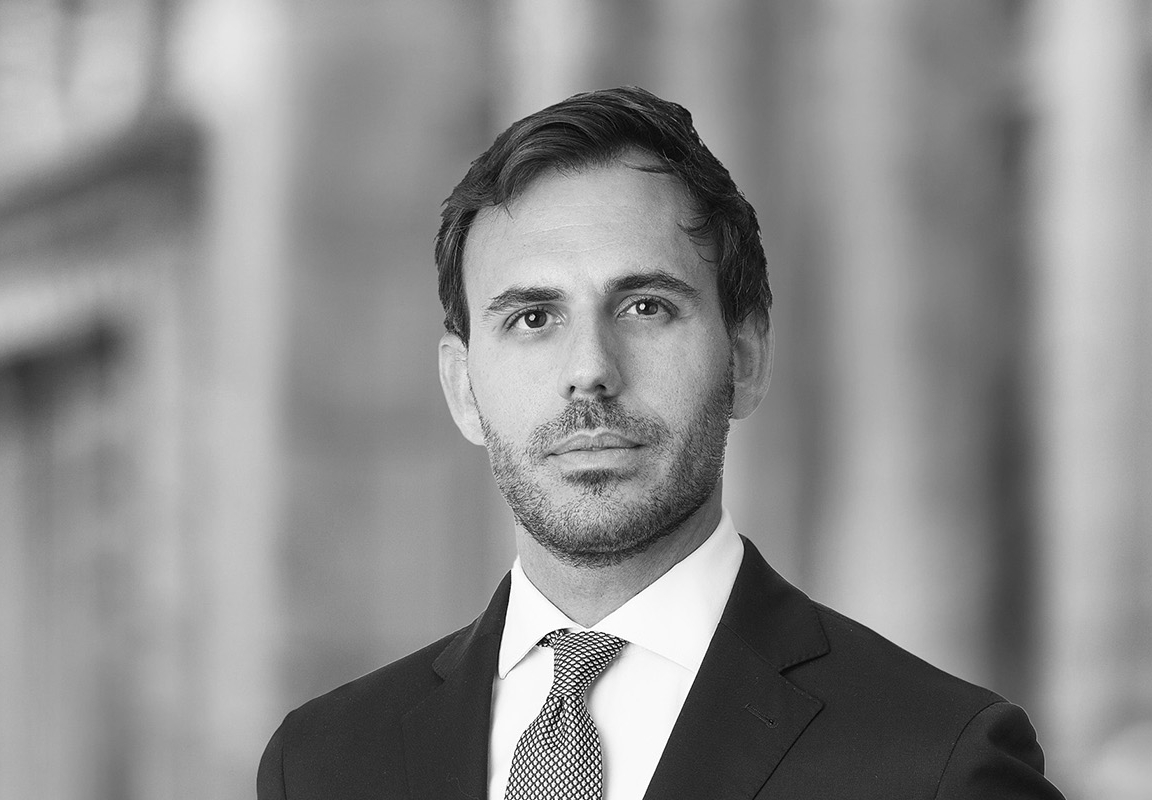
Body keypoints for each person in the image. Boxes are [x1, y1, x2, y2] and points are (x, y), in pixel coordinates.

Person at [257, 86, 1064, 800]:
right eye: (533, 318)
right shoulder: (322, 765)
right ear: (463, 387)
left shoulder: (939, 764)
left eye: (645, 307)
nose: (590, 371)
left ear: (745, 357)